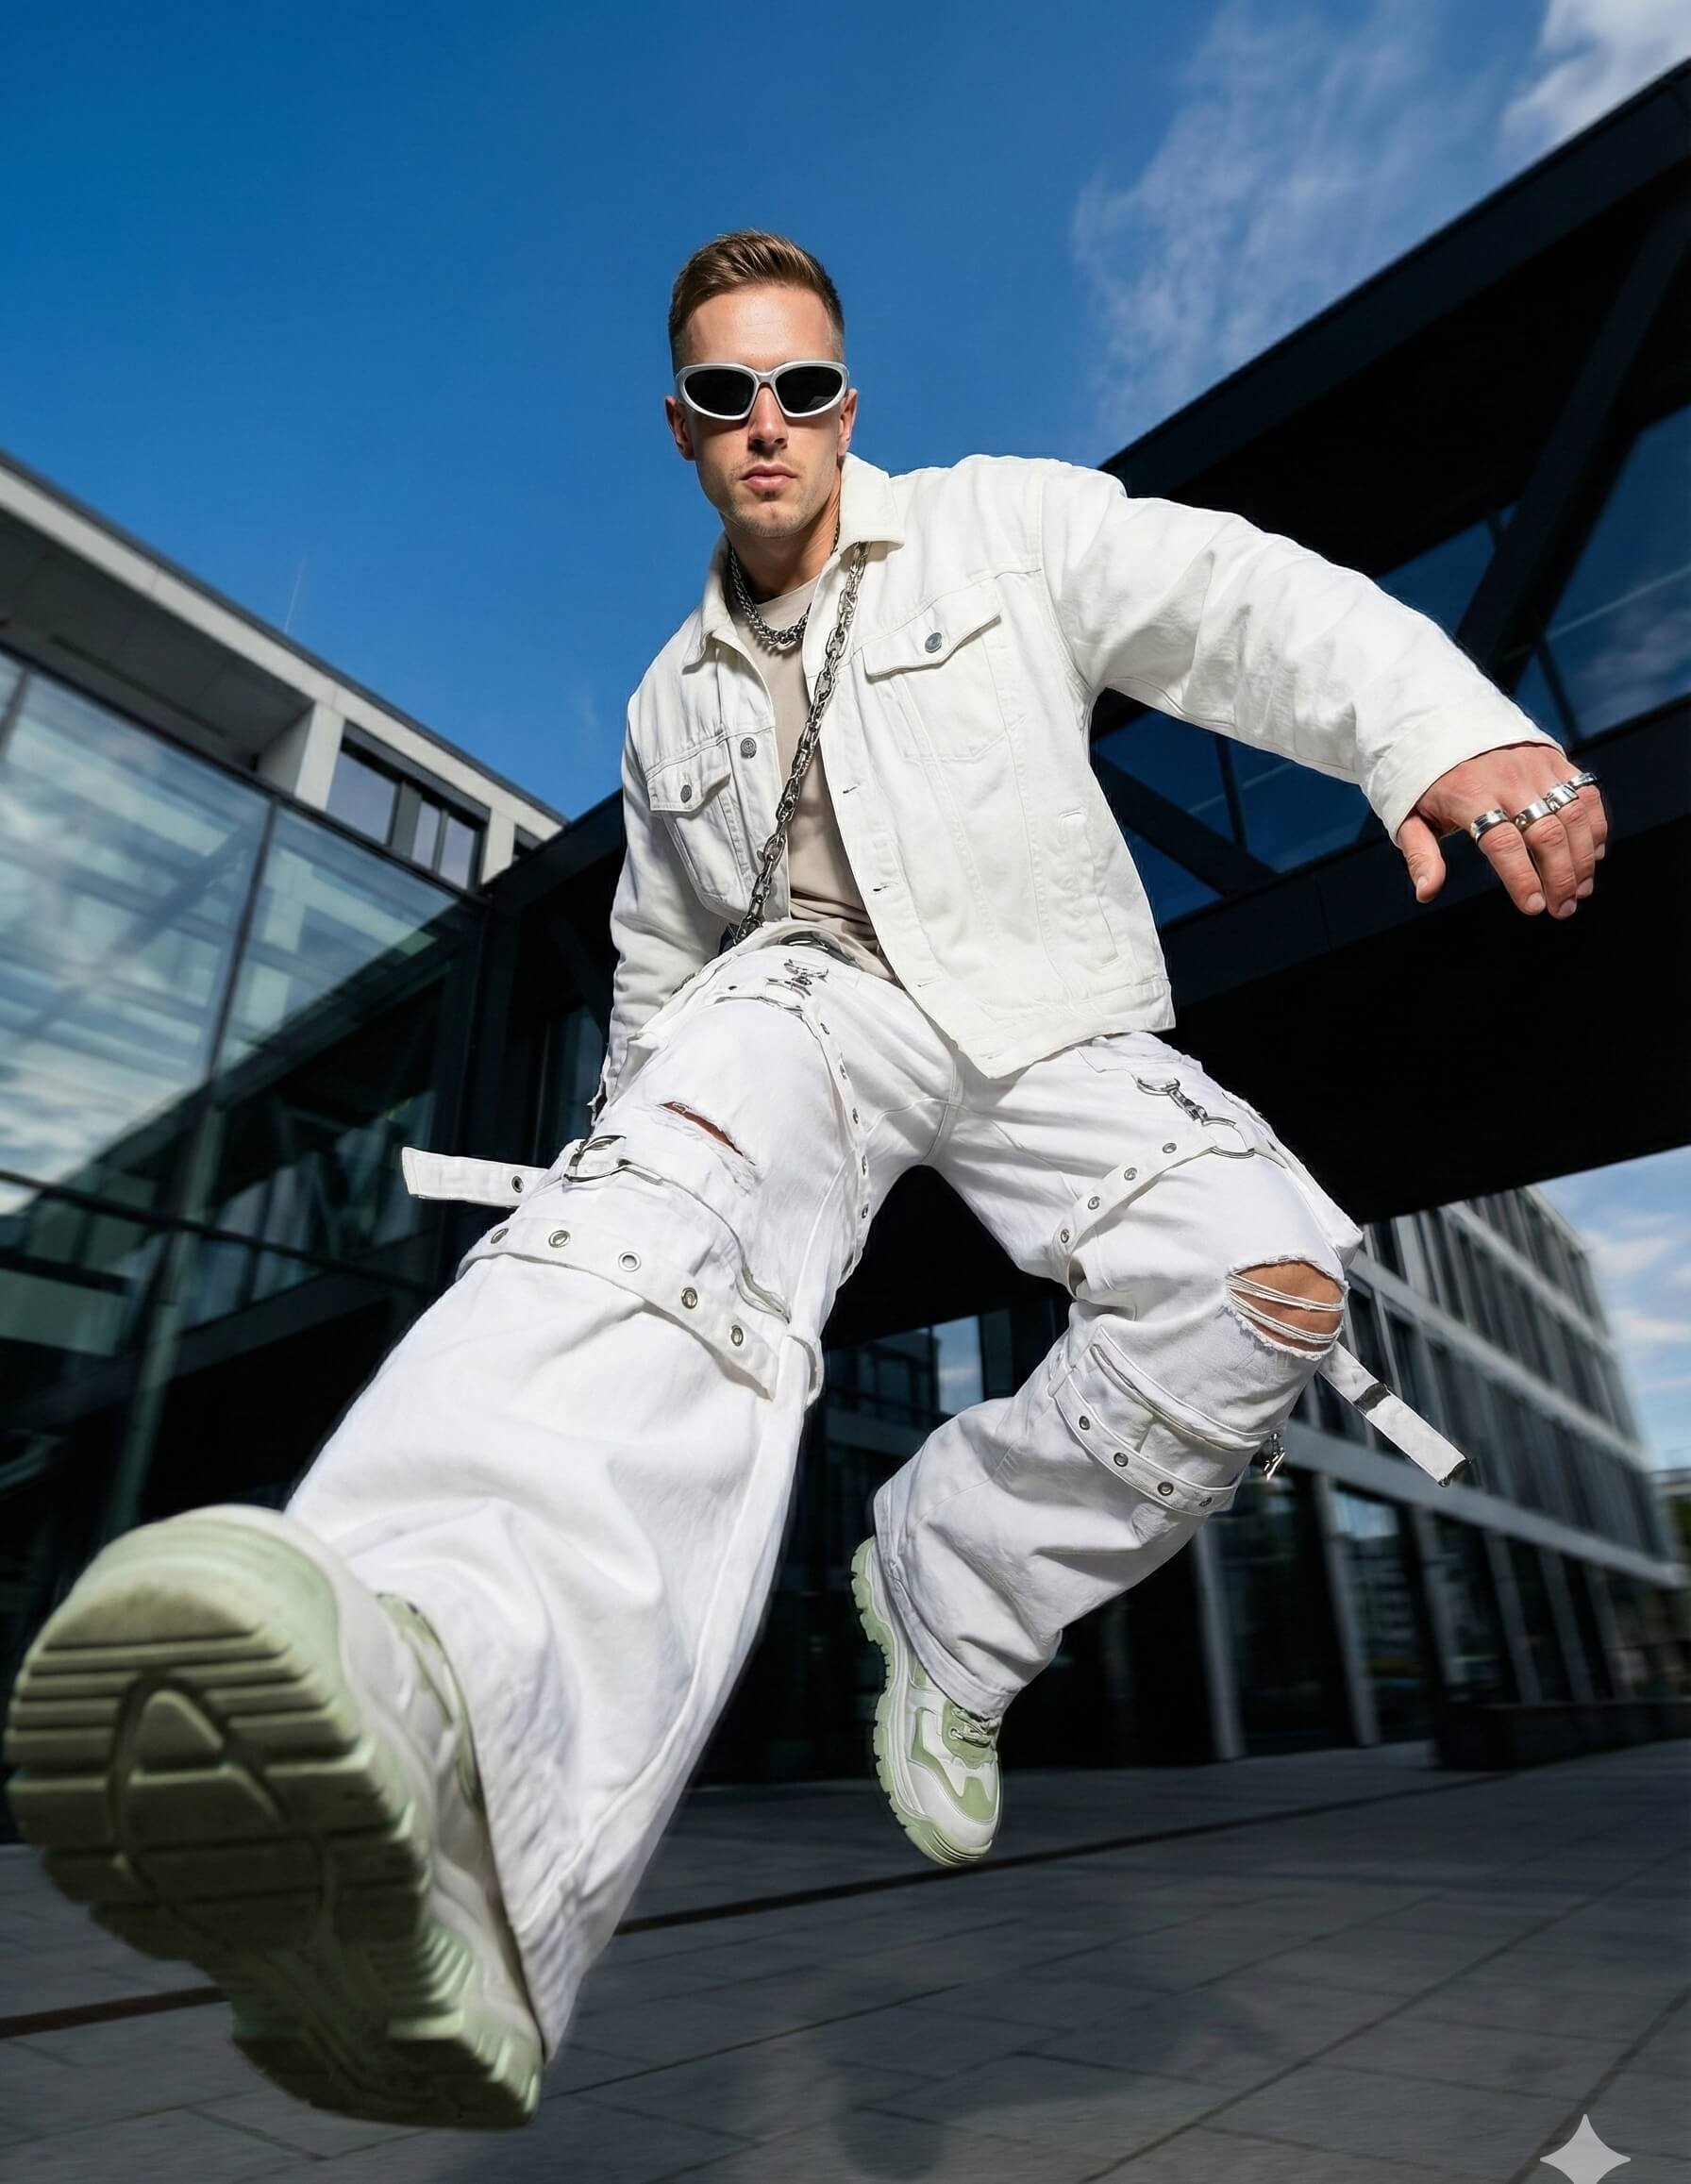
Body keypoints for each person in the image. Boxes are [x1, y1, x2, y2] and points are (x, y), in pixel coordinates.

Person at [3, 230, 1606, 2131]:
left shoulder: (997, 529)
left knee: (1266, 1282)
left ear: (847, 398)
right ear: (677, 427)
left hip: (1040, 1014)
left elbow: (1232, 601)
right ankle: (429, 1698)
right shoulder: (666, 699)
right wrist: (643, 1147)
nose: (767, 424)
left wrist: (1440, 729)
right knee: (663, 1200)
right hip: (806, 1007)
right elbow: (660, 967)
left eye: (802, 385)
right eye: (722, 394)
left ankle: (949, 1588)